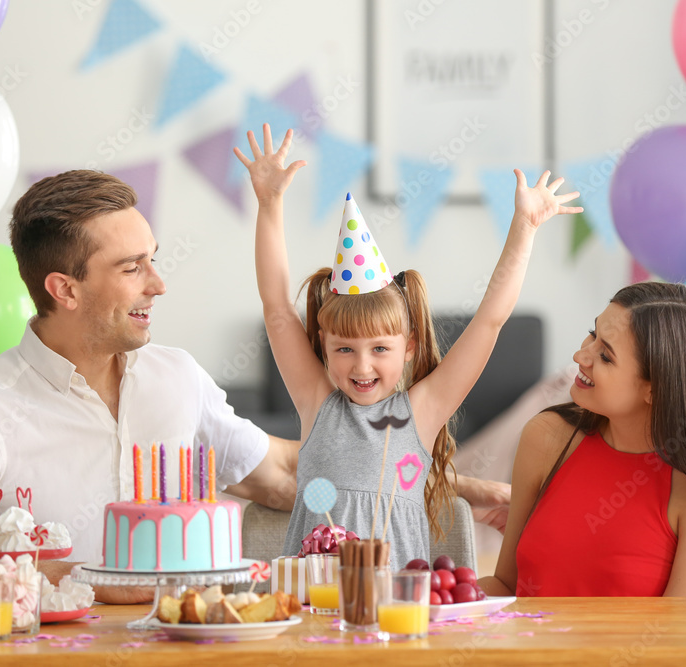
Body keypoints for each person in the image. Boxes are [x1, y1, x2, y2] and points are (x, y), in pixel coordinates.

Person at [0, 170, 301, 603]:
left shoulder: (177, 377)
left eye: (152, 259)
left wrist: (368, 444)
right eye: (133, 268)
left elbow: (282, 476)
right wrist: (85, 578)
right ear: (65, 289)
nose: (158, 284)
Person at [234, 124, 581, 567]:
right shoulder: (316, 401)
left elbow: (490, 320)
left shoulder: (422, 411)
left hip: (398, 610)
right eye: (344, 349)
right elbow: (277, 309)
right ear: (322, 346)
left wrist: (525, 228)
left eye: (380, 349)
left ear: (410, 346)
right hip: (312, 608)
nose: (362, 365)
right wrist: (269, 203)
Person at [478, 282, 686, 667]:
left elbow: (672, 653)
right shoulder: (547, 439)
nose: (580, 355)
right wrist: (425, 599)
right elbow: (506, 586)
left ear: (654, 388)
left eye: (606, 356)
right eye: (593, 333)